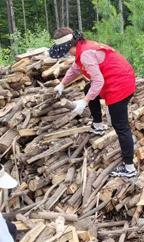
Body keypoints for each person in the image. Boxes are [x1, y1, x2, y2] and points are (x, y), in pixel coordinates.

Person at [50, 27, 137, 178]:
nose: (66, 54)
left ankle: (129, 168)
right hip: (115, 79)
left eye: (65, 51)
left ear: (68, 46)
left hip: (120, 83)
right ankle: (98, 126)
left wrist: (84, 102)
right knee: (88, 88)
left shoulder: (85, 53)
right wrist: (62, 84)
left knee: (120, 125)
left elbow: (98, 81)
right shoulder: (82, 48)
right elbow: (76, 69)